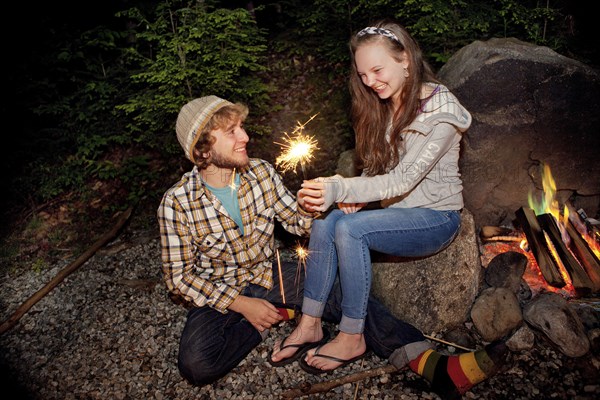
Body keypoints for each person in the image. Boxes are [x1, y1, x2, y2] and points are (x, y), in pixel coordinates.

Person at [269, 19, 507, 399]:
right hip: (396, 212)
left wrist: (342, 187)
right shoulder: (384, 105)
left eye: (377, 70)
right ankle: (310, 321)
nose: (370, 81)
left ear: (406, 61)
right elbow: (380, 173)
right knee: (328, 219)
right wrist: (350, 195)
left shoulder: (441, 111)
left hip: (435, 217)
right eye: (363, 74)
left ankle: (352, 336)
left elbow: (403, 181)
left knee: (351, 229)